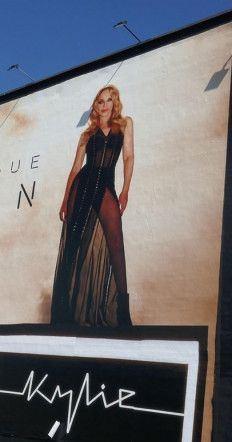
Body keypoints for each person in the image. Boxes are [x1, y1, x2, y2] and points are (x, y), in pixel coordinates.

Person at [51, 85, 134, 327]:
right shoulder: (87, 135)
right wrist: (66, 199)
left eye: (108, 101)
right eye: (100, 102)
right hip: (83, 185)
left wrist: (126, 189)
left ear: (114, 103)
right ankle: (63, 310)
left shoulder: (125, 124)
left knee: (115, 241)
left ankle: (123, 310)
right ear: (95, 106)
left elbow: (129, 157)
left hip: (105, 185)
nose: (104, 105)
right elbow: (76, 168)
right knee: (73, 244)